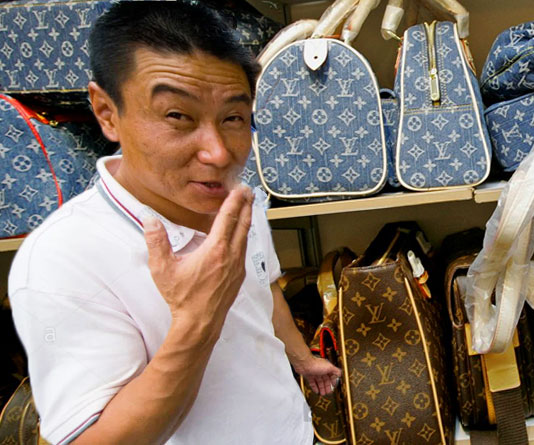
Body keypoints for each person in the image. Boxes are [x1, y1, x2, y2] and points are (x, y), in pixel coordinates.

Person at [7, 3, 341, 444]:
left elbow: (265, 289)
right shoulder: (61, 260)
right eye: (178, 116)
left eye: (233, 118)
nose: (219, 154)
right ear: (107, 111)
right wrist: (197, 322)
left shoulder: (239, 200)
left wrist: (302, 359)